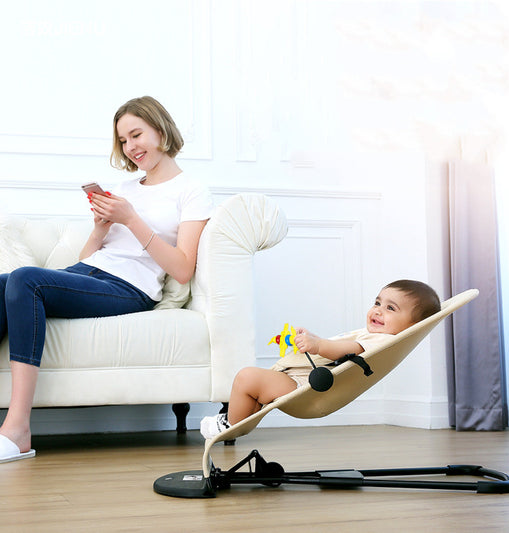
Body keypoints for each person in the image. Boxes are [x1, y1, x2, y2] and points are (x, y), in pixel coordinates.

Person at [0, 96, 214, 463]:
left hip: (130, 290)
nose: (131, 148)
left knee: (24, 280)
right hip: (92, 274)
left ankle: (17, 429)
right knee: (4, 283)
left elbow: (182, 269)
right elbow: (88, 261)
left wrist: (132, 219)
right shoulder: (126, 190)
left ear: (161, 130)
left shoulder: (191, 190)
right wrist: (101, 228)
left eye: (136, 135)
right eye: (124, 141)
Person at [200, 279, 440, 439]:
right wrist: (313, 341)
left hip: (306, 388)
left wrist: (318, 344)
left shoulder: (384, 341)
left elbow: (346, 350)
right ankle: (236, 421)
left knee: (247, 377)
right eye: (377, 302)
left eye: (391, 308)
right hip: (301, 379)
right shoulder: (373, 334)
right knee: (253, 386)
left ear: (412, 325)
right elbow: (338, 348)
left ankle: (229, 425)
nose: (377, 310)